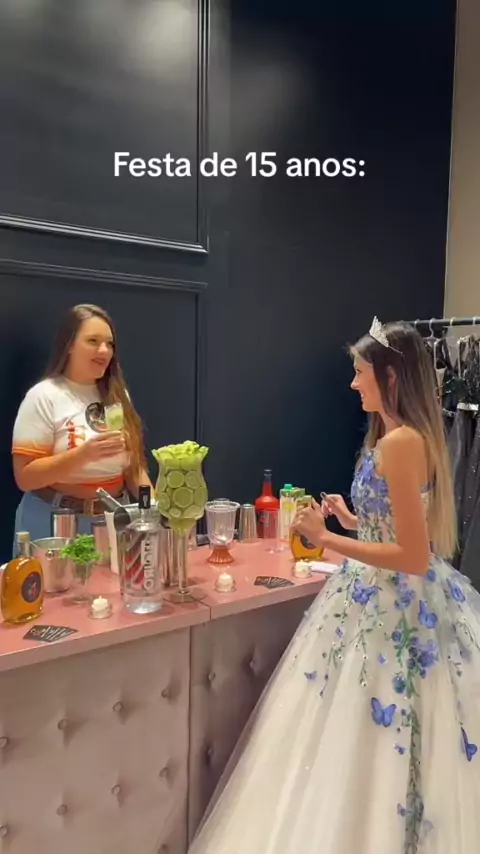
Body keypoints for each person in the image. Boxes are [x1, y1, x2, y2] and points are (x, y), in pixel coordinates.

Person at [187, 318, 480, 854]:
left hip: (394, 608)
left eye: (360, 373)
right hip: (374, 596)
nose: (353, 383)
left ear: (390, 377)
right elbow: (396, 528)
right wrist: (351, 520)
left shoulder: (401, 443)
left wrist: (328, 539)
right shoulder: (392, 437)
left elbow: (414, 556)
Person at [12, 303, 153, 543]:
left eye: (110, 344)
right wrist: (83, 455)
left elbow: (134, 467)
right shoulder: (44, 396)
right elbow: (25, 478)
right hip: (55, 522)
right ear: (68, 345)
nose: (104, 350)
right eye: (93, 341)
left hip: (113, 521)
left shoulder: (117, 396)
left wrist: (151, 509)